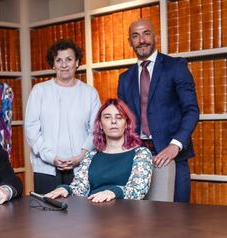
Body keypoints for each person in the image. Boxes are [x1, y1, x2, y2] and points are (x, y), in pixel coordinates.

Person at [118, 19, 199, 202]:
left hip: (172, 155)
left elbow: (191, 110)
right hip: (136, 158)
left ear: (155, 36)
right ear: (130, 41)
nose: (142, 40)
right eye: (135, 36)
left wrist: (174, 145)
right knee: (140, 218)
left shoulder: (176, 67)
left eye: (146, 33)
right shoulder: (125, 78)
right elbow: (123, 120)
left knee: (177, 215)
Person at [25, 39, 101, 194]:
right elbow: (31, 129)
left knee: (81, 214)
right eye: (59, 60)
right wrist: (51, 157)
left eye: (69, 59)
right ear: (53, 64)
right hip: (46, 168)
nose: (64, 65)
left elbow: (96, 129)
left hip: (81, 167)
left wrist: (80, 156)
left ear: (77, 62)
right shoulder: (39, 91)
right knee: (47, 214)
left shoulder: (89, 93)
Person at [45, 99, 153, 203]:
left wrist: (112, 192)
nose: (113, 121)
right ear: (100, 125)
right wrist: (66, 189)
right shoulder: (91, 155)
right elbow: (79, 188)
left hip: (126, 215)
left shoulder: (141, 154)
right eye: (107, 117)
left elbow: (138, 190)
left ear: (126, 124)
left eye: (119, 117)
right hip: (93, 212)